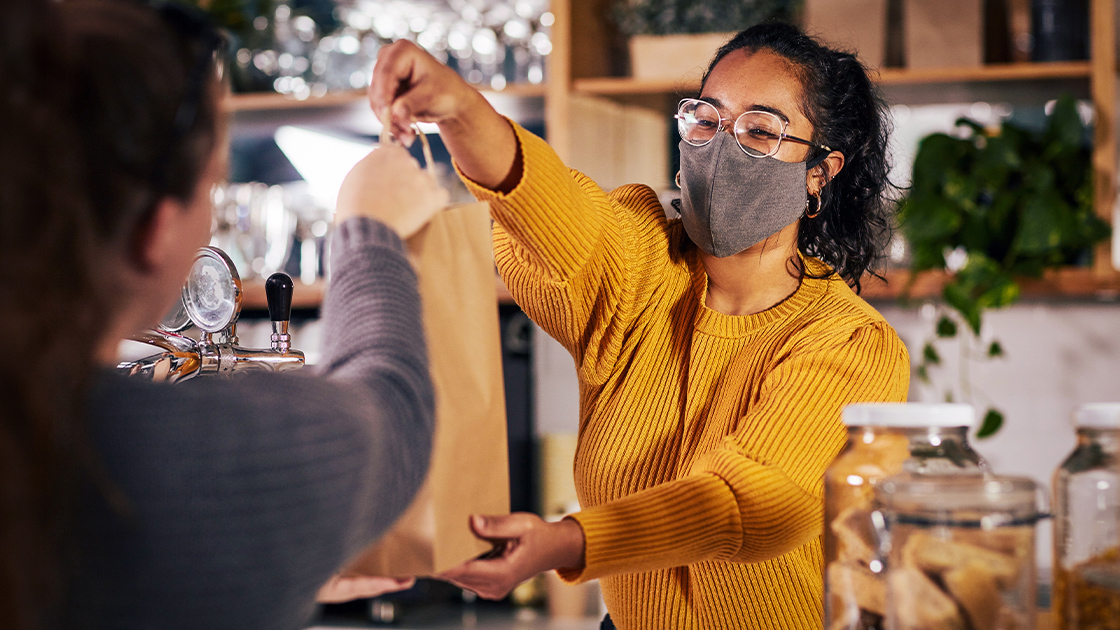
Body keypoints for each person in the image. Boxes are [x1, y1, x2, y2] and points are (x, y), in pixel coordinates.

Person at [367, 21, 910, 630]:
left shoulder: (849, 342)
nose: (721, 147)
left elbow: (755, 504)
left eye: (760, 131)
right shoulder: (643, 266)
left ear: (819, 172)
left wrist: (569, 542)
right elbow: (551, 209)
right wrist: (460, 109)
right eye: (706, 119)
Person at [0, 1, 448, 628]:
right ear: (155, 232)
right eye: (210, 188)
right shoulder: (206, 458)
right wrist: (369, 227)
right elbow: (392, 407)